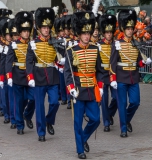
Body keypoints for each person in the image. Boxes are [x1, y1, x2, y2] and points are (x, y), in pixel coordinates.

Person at [64, 12, 103, 159]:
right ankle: (80, 150)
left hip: (91, 90)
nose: (87, 36)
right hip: (78, 90)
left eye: (88, 32)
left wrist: (100, 86)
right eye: (84, 33)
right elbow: (67, 73)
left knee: (95, 119)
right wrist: (71, 88)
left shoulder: (95, 49)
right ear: (79, 34)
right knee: (78, 122)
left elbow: (99, 70)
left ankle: (83, 139)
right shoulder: (71, 51)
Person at [110, 9, 152, 138]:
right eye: (127, 28)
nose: (129, 30)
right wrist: (113, 78)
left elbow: (138, 62)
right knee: (122, 104)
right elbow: (112, 63)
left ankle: (126, 119)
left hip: (133, 77)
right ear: (123, 29)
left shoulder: (136, 44)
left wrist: (145, 62)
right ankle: (123, 129)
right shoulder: (117, 44)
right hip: (121, 77)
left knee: (135, 102)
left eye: (131, 28)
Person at [26, 7, 60, 142]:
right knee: (39, 107)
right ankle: (41, 132)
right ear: (39, 28)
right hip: (39, 76)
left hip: (52, 76)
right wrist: (30, 77)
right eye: (44, 27)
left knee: (55, 103)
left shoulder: (55, 42)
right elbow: (29, 62)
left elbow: (59, 58)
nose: (46, 29)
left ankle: (49, 121)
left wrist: (61, 61)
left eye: (48, 27)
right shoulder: (33, 43)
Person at [6, 11, 35, 134]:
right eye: (24, 31)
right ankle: (19, 125)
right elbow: (8, 61)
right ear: (20, 32)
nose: (26, 33)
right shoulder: (14, 45)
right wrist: (9, 76)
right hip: (18, 75)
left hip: (30, 76)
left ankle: (27, 116)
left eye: (28, 31)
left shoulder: (33, 44)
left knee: (33, 99)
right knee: (19, 101)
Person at [98, 14, 118, 132]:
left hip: (114, 73)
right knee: (104, 99)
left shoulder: (116, 44)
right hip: (103, 74)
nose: (109, 34)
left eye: (111, 32)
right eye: (107, 32)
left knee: (116, 98)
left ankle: (110, 113)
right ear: (104, 33)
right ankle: (106, 122)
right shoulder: (99, 45)